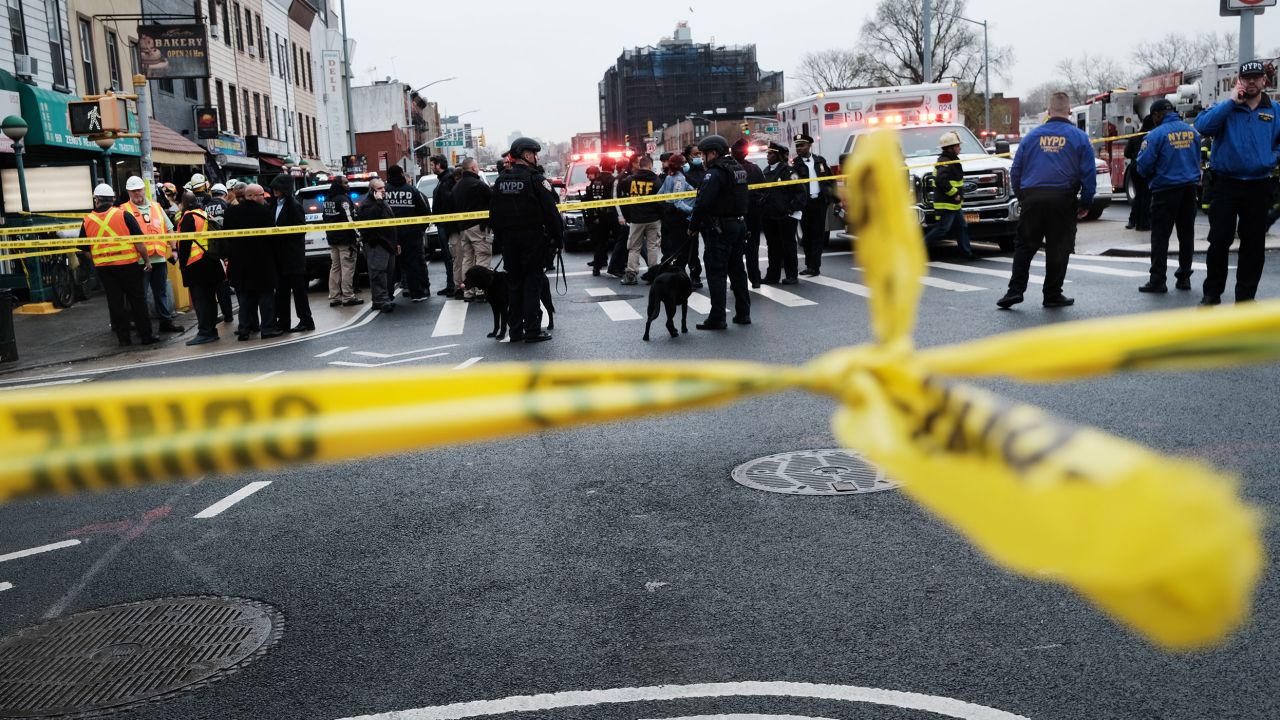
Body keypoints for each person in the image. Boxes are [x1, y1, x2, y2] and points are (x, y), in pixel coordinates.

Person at [997, 91, 1096, 310]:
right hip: (1062, 199)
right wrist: (1086, 202)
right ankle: (1052, 294)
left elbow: (1016, 170)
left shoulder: (1031, 137)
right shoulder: (1079, 137)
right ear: (1069, 112)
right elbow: (1088, 173)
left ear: (1048, 111)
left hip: (1033, 197)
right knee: (1058, 248)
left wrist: (1023, 196)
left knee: (1024, 246)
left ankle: (1015, 291)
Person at [1194, 60, 1280, 305]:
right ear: (1238, 81)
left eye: (1256, 77)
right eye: (1247, 78)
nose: (1252, 82)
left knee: (1253, 244)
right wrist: (1232, 102)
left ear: (1264, 80)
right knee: (1219, 240)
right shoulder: (1224, 108)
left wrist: (1271, 157)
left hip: (1258, 185)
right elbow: (1202, 126)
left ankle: (1246, 298)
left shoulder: (1274, 111)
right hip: (1225, 184)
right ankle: (1212, 293)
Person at [489, 137, 562, 343]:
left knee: (514, 284)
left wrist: (501, 240)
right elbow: (551, 213)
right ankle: (532, 329)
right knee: (532, 283)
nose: (536, 157)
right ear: (526, 155)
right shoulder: (536, 180)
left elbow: (493, 214)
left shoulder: (501, 180)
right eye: (534, 154)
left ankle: (514, 330)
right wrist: (558, 239)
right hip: (532, 239)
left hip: (509, 241)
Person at [1135, 98, 1201, 293]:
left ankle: (1158, 280)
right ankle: (1184, 278)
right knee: (1186, 234)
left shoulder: (1155, 135)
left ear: (1157, 115)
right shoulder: (1193, 132)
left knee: (1160, 237)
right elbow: (1197, 158)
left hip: (1165, 190)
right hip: (1189, 189)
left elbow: (1143, 166)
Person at [80, 183, 156, 346]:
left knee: (115, 303)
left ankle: (124, 338)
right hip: (128, 265)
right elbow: (139, 243)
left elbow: (85, 249)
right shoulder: (124, 215)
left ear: (97, 200)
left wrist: (97, 261)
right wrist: (147, 260)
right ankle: (146, 336)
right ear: (113, 199)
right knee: (137, 301)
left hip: (105, 269)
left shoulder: (87, 220)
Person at [689, 134, 750, 330]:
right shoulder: (737, 168)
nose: (703, 159)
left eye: (704, 154)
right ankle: (743, 313)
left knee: (716, 272)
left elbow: (703, 203)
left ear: (713, 153)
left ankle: (717, 317)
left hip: (720, 228)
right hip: (739, 225)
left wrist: (693, 226)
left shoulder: (714, 173)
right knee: (737, 270)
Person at [120, 175, 184, 334]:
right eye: (133, 191)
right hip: (138, 261)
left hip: (159, 258)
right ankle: (142, 324)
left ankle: (165, 322)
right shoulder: (123, 210)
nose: (137, 194)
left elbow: (169, 230)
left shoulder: (156, 207)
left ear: (144, 190)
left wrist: (174, 250)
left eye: (139, 190)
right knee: (139, 294)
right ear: (128, 192)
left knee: (160, 292)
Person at [223, 183, 282, 339]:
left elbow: (226, 236)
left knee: (244, 300)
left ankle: (244, 330)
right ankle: (268, 329)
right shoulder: (265, 212)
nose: (264, 198)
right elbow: (273, 238)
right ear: (253, 196)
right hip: (262, 262)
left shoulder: (231, 212)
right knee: (265, 298)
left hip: (239, 263)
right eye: (262, 195)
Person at [174, 191, 225, 346]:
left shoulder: (189, 217)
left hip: (197, 264)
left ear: (183, 204)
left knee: (201, 301)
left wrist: (182, 266)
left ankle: (205, 332)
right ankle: (211, 330)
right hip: (211, 262)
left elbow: (185, 244)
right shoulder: (203, 213)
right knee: (210, 300)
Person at [922, 132, 975, 258]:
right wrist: (954, 193)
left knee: (962, 226)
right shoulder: (945, 161)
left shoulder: (951, 160)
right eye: (957, 145)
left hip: (954, 203)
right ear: (950, 148)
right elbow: (941, 180)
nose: (959, 148)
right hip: (948, 203)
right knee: (942, 229)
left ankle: (967, 253)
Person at [270, 173, 313, 330]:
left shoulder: (294, 206)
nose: (275, 190)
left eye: (278, 188)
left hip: (293, 256)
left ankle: (306, 320)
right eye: (274, 187)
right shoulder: (274, 205)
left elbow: (300, 229)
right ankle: (283, 322)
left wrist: (280, 235)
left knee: (299, 291)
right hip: (279, 256)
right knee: (281, 291)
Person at [791, 133, 838, 276]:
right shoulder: (795, 164)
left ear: (809, 146)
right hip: (805, 204)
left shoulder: (820, 161)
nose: (798, 148)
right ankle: (809, 264)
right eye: (797, 146)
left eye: (801, 145)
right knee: (807, 236)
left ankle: (815, 266)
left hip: (819, 202)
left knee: (818, 235)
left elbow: (830, 180)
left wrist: (834, 199)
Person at [760, 142, 806, 285]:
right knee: (772, 246)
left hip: (786, 216)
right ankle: (772, 275)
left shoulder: (789, 172)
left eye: (771, 153)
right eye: (767, 153)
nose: (768, 156)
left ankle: (792, 274)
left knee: (788, 246)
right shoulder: (766, 171)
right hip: (770, 216)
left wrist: (791, 209)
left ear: (778, 155)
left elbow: (800, 193)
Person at [384, 164, 431, 301]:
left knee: (390, 266)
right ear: (401, 174)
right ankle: (416, 293)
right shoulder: (412, 190)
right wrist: (419, 229)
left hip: (390, 235)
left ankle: (388, 296)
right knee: (412, 264)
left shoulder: (384, 192)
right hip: (411, 234)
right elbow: (425, 212)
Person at [452, 158, 494, 300]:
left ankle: (468, 292)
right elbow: (492, 201)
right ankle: (482, 290)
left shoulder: (456, 187)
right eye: (477, 166)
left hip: (463, 229)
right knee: (483, 257)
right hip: (479, 227)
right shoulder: (478, 185)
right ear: (473, 168)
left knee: (467, 260)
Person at [356, 177, 399, 312]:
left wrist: (396, 243)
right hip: (376, 244)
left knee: (389, 274)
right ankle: (381, 301)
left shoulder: (383, 203)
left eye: (383, 188)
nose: (383, 191)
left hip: (388, 244)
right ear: (372, 191)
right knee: (378, 273)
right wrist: (379, 202)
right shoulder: (367, 205)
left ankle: (385, 298)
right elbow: (372, 218)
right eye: (380, 189)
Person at [621, 154, 662, 285]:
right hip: (653, 219)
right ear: (650, 166)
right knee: (652, 247)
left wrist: (628, 215)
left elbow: (622, 194)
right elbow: (661, 201)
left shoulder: (630, 180)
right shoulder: (656, 180)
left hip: (636, 219)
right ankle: (653, 274)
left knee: (634, 248)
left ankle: (631, 275)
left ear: (640, 166)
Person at [732, 137, 766, 287]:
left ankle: (736, 281)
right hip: (753, 213)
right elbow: (764, 190)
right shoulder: (754, 169)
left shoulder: (728, 169)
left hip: (737, 215)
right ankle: (755, 279)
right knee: (753, 247)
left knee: (736, 249)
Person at [324, 174, 362, 306]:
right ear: (339, 185)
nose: (348, 185)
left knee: (335, 267)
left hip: (332, 239)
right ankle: (348, 296)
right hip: (346, 240)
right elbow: (350, 219)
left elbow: (325, 218)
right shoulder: (343, 200)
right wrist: (358, 234)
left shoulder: (328, 200)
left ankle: (334, 297)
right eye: (345, 183)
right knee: (347, 268)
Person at [656, 153, 696, 269]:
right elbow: (678, 202)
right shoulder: (679, 178)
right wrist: (692, 210)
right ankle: (677, 272)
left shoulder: (669, 176)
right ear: (680, 165)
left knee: (670, 247)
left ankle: (668, 270)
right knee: (680, 249)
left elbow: (659, 196)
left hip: (667, 216)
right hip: (677, 217)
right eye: (684, 163)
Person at [429, 155, 460, 297]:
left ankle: (453, 285)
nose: (431, 167)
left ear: (439, 165)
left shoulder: (448, 180)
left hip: (447, 225)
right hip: (442, 224)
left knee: (451, 257)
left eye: (432, 165)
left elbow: (450, 203)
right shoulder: (443, 180)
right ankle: (450, 284)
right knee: (448, 257)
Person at [583, 162, 615, 276]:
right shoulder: (610, 180)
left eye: (590, 174)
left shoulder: (596, 183)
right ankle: (602, 262)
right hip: (607, 215)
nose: (588, 176)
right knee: (603, 241)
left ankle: (598, 265)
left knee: (601, 242)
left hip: (599, 216)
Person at [1125, 114, 1155, 231]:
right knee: (1146, 195)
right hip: (1146, 166)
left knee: (1139, 194)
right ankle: (1143, 223)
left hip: (1134, 166)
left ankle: (1132, 221)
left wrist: (1134, 155)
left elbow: (1126, 153)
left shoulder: (1135, 136)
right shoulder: (1152, 135)